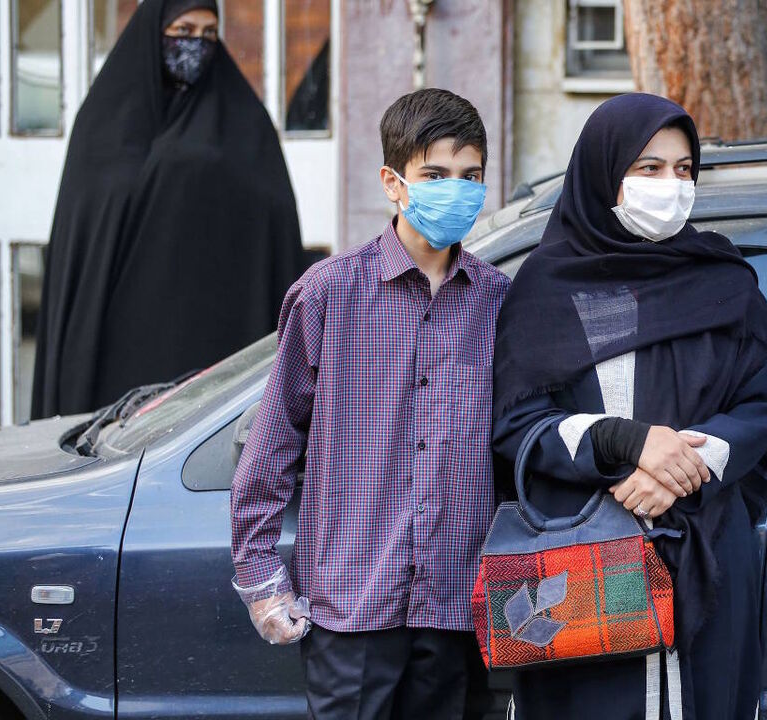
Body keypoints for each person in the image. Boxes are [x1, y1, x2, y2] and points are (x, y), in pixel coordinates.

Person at [491, 93, 767, 720]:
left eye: (684, 170)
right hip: (580, 562)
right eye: (649, 168)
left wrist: (685, 466)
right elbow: (518, 423)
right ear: (604, 173)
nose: (671, 185)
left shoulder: (720, 280)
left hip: (703, 544)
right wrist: (626, 448)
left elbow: (763, 398)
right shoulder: (550, 288)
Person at [230, 88, 507, 720]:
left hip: (458, 605)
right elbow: (273, 444)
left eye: (471, 177)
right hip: (353, 603)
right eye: (434, 175)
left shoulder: (497, 300)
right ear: (393, 181)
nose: (455, 190)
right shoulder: (328, 294)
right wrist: (261, 580)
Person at [31, 0, 306, 419]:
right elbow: (83, 240)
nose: (196, 45)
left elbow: (272, 221)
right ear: (153, 35)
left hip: (215, 345)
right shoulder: (102, 123)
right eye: (183, 32)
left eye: (208, 34)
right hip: (115, 353)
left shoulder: (244, 121)